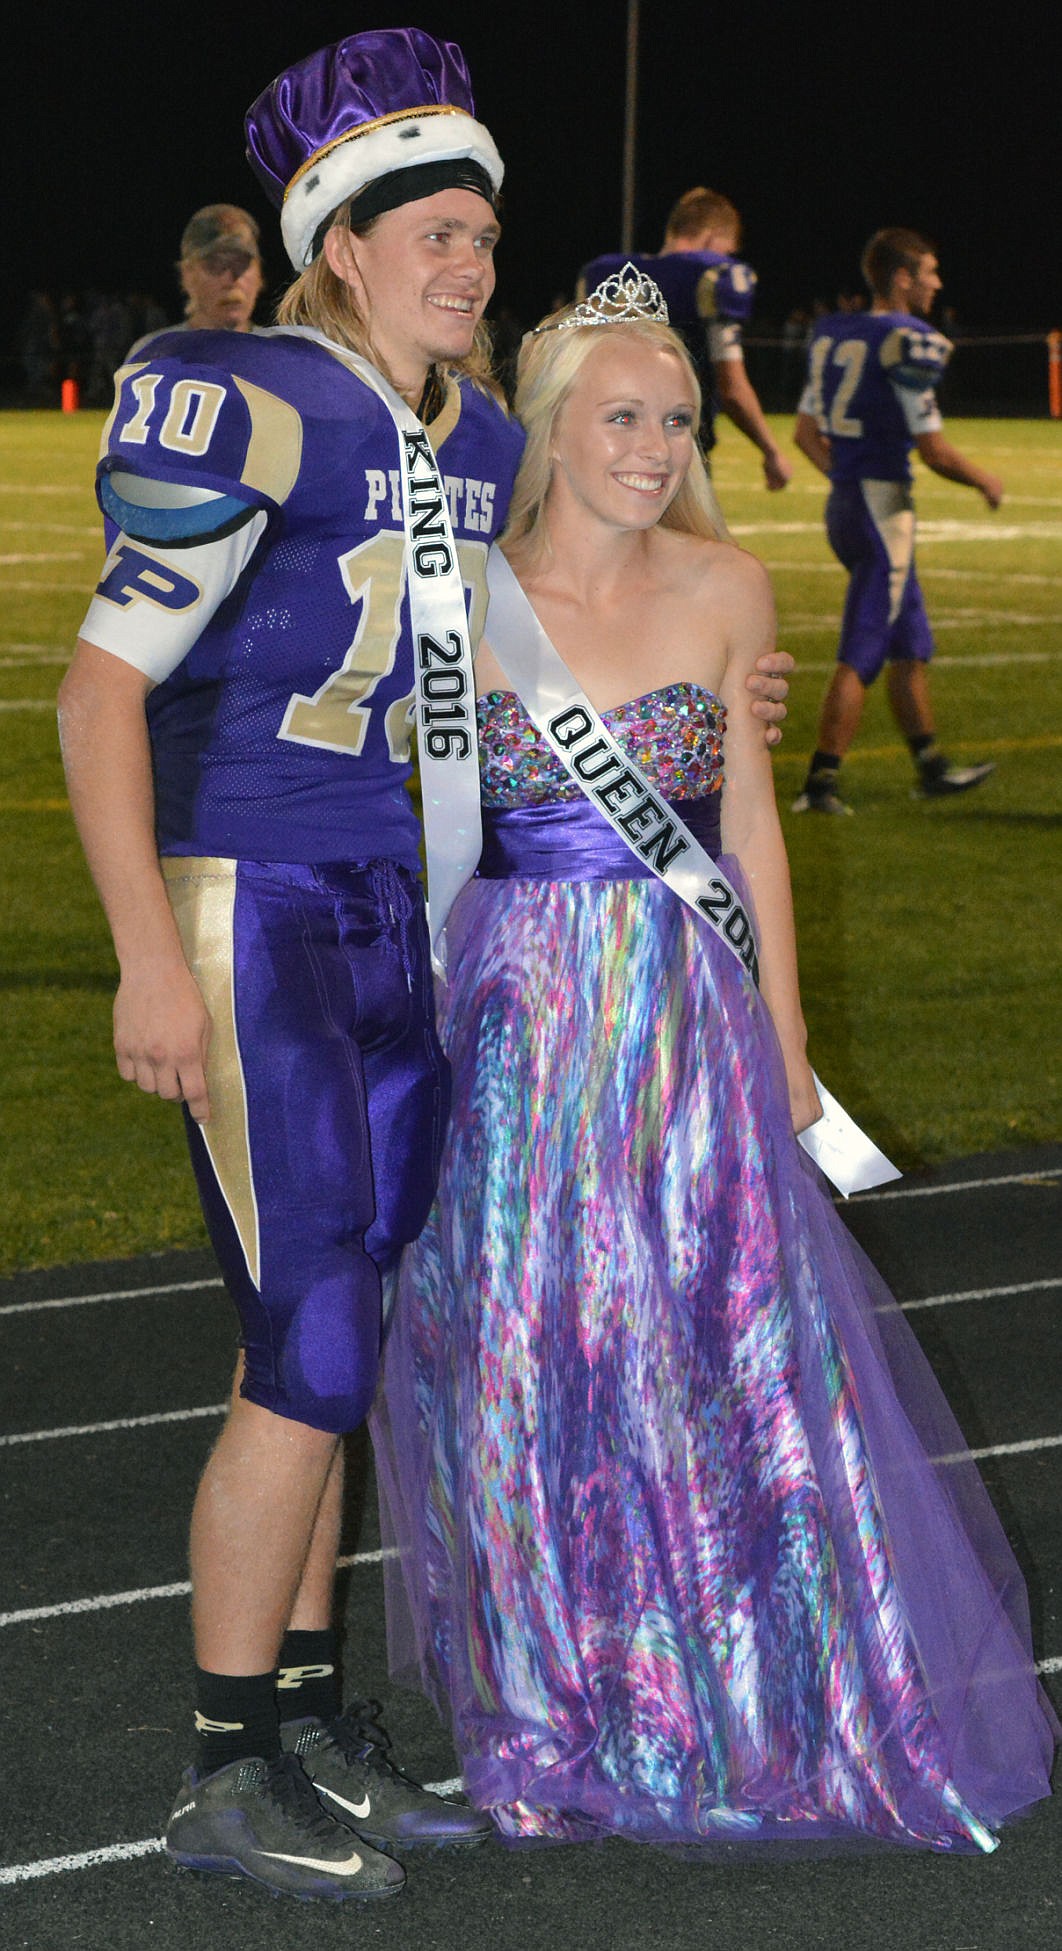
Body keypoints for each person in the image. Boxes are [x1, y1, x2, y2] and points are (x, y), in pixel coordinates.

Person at [56, 28, 792, 1907]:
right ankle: (223, 1764)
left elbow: (575, 592)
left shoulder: (474, 436)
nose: (472, 261)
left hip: (395, 898)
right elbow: (101, 691)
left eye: (484, 232)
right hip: (254, 897)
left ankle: (303, 1723)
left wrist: (724, 684)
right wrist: (148, 952)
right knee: (306, 1344)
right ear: (342, 241)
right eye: (437, 234)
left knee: (343, 1327)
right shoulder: (243, 395)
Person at [372, 272, 1056, 1851]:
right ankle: (545, 1720)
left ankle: (739, 1701)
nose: (653, 441)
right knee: (522, 1360)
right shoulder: (452, 594)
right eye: (622, 414)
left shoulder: (728, 586)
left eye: (673, 416)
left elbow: (749, 825)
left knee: (713, 1343)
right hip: (513, 1023)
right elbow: (413, 827)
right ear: (546, 428)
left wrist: (787, 1042)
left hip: (681, 1013)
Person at [791, 228, 1002, 814]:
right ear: (903, 278)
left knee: (909, 640)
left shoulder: (835, 331)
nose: (937, 283)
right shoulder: (909, 340)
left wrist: (846, 480)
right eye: (930, 272)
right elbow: (933, 450)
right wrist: (985, 479)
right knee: (864, 647)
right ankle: (820, 784)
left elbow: (805, 434)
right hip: (884, 509)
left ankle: (931, 766)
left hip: (847, 503)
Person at [578, 186, 792, 490]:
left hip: (606, 446)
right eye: (726, 249)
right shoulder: (712, 277)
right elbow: (732, 386)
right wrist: (771, 451)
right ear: (710, 238)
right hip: (675, 450)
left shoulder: (604, 274)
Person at [176, 204, 265, 334]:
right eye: (215, 265)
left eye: (241, 264)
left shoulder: (282, 352)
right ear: (187, 275)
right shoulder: (156, 351)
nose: (230, 279)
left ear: (259, 275)